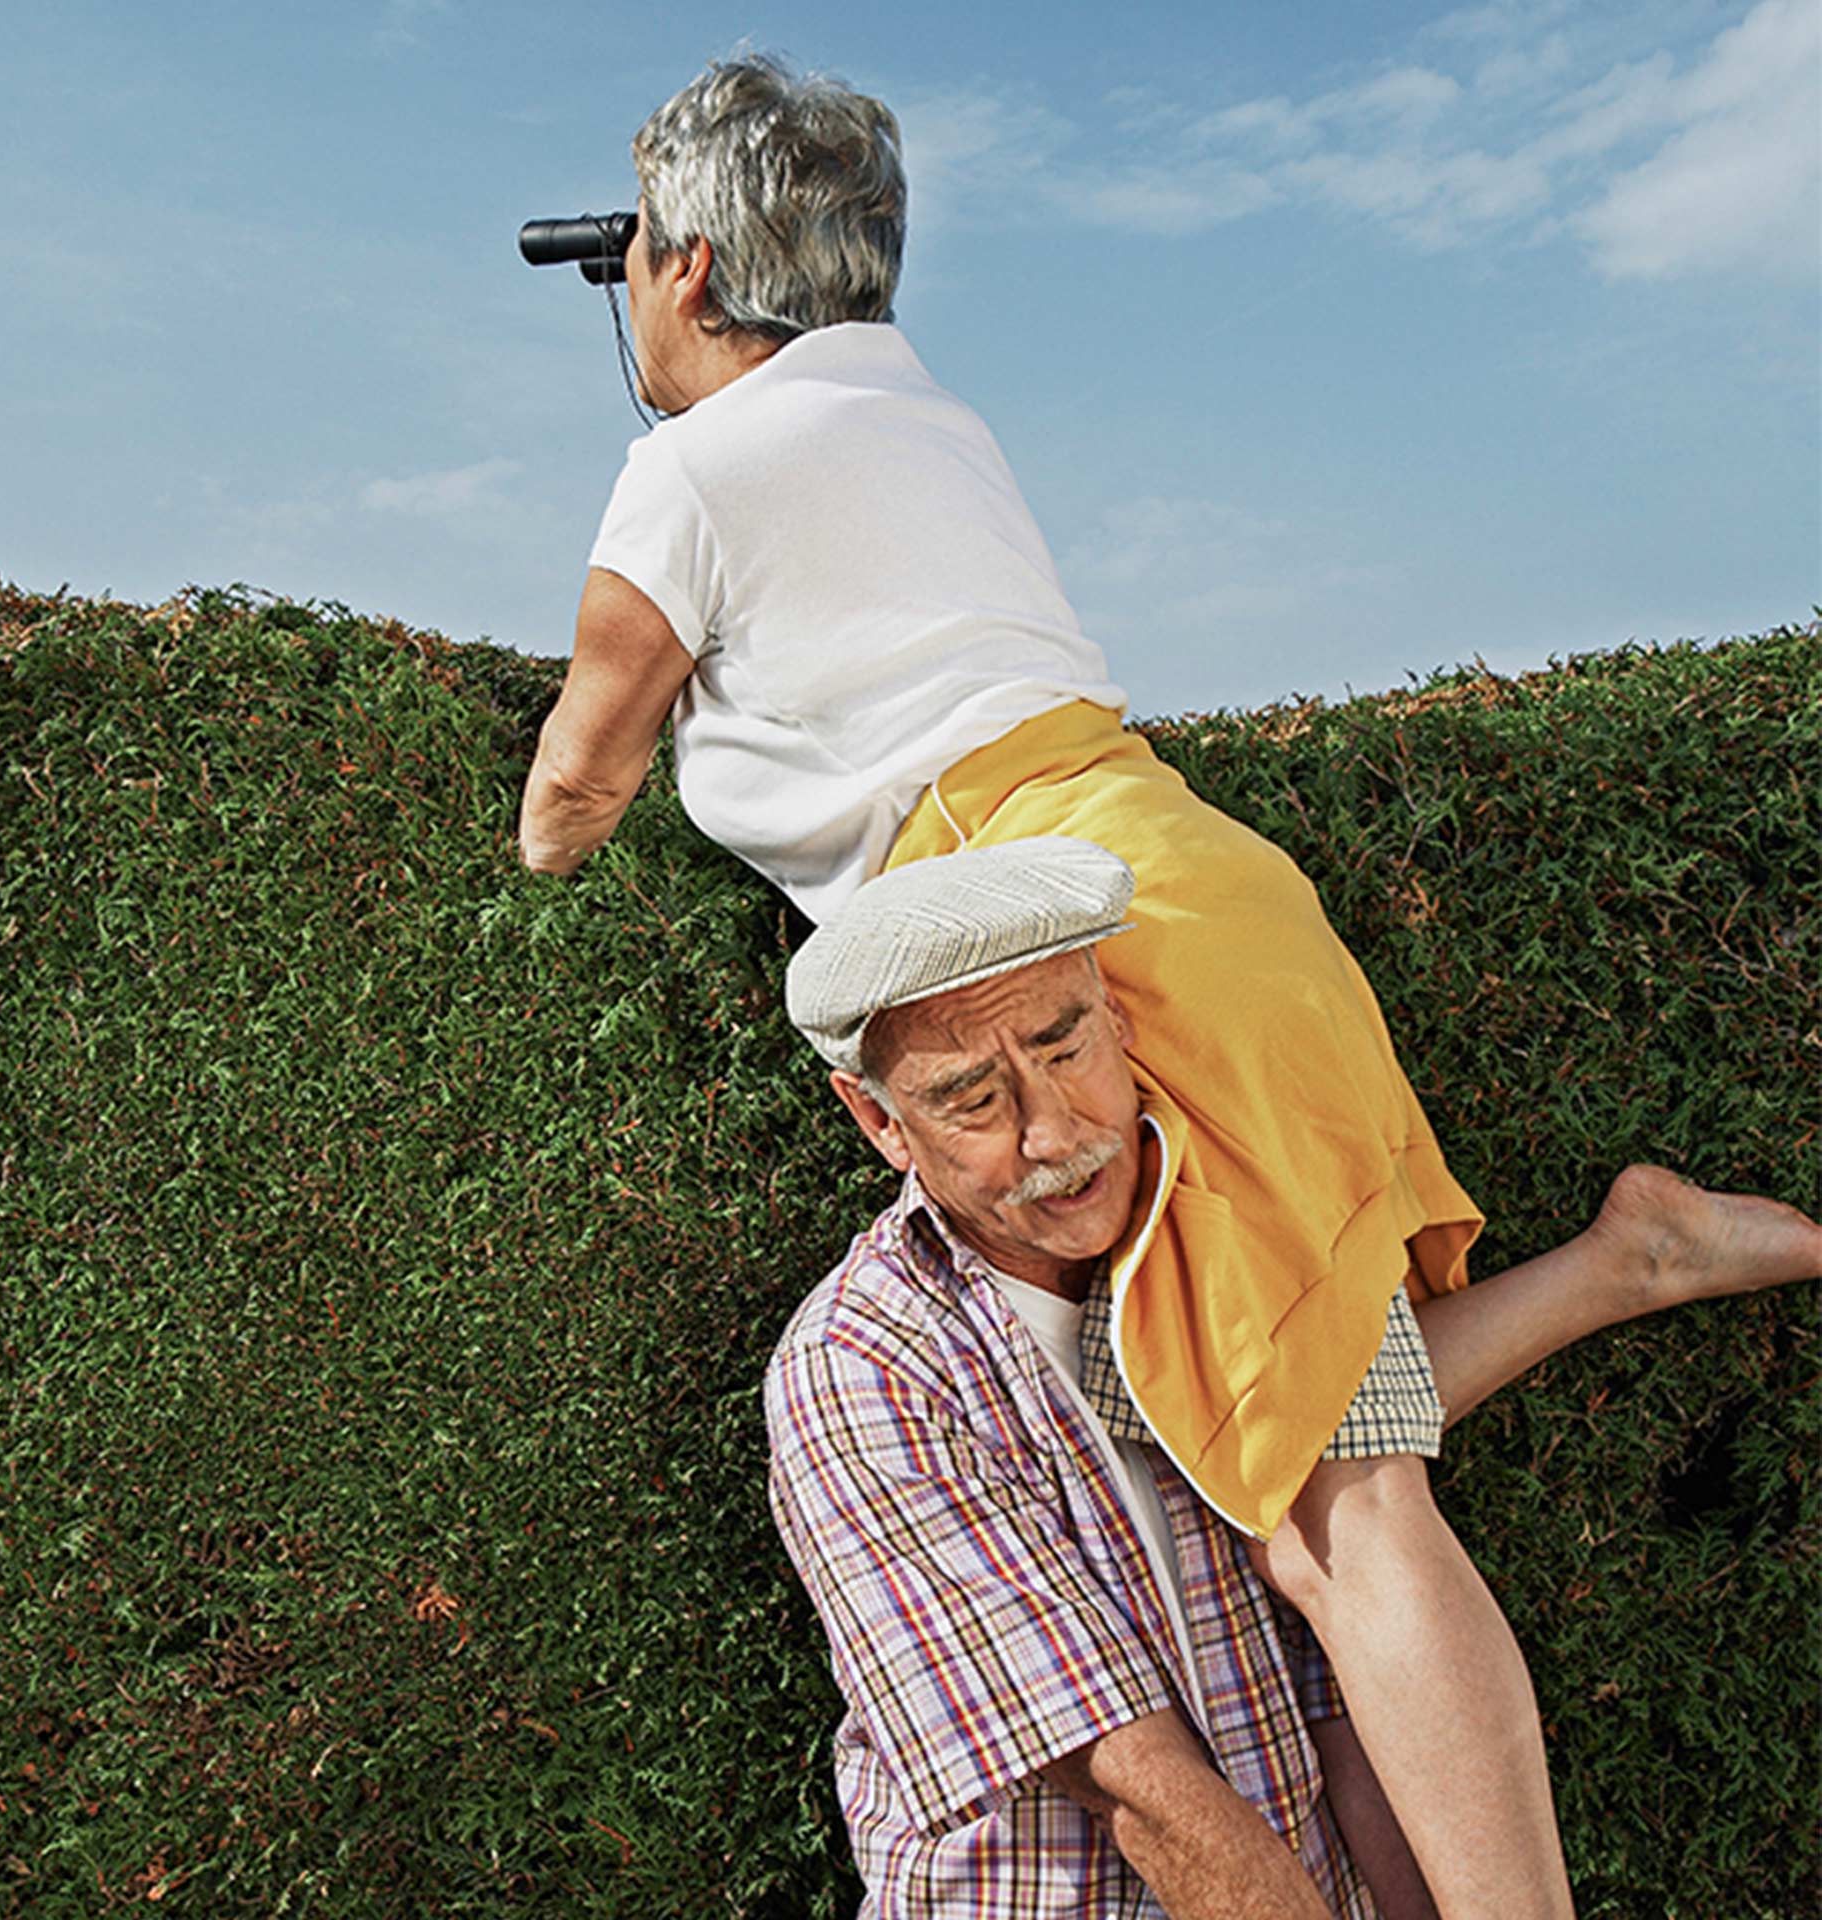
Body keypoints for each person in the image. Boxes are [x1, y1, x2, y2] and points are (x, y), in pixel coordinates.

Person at [514, 53, 1816, 1912]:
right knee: (1257, 1421)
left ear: (698, 265)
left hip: (1077, 930)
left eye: (638, 250)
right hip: (1190, 893)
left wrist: (546, 859)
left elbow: (577, 782)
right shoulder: (928, 417)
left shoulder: (691, 471)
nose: (628, 280)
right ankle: (1636, 1255)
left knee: (1347, 1515)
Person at [769, 836, 1821, 1918]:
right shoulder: (861, 1370)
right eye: (973, 1100)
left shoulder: (1214, 1224)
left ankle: (1629, 1260)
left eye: (1063, 1048)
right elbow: (1135, 1787)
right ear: (882, 1122)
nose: (1053, 1132)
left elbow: (1342, 1669)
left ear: (1119, 1021)